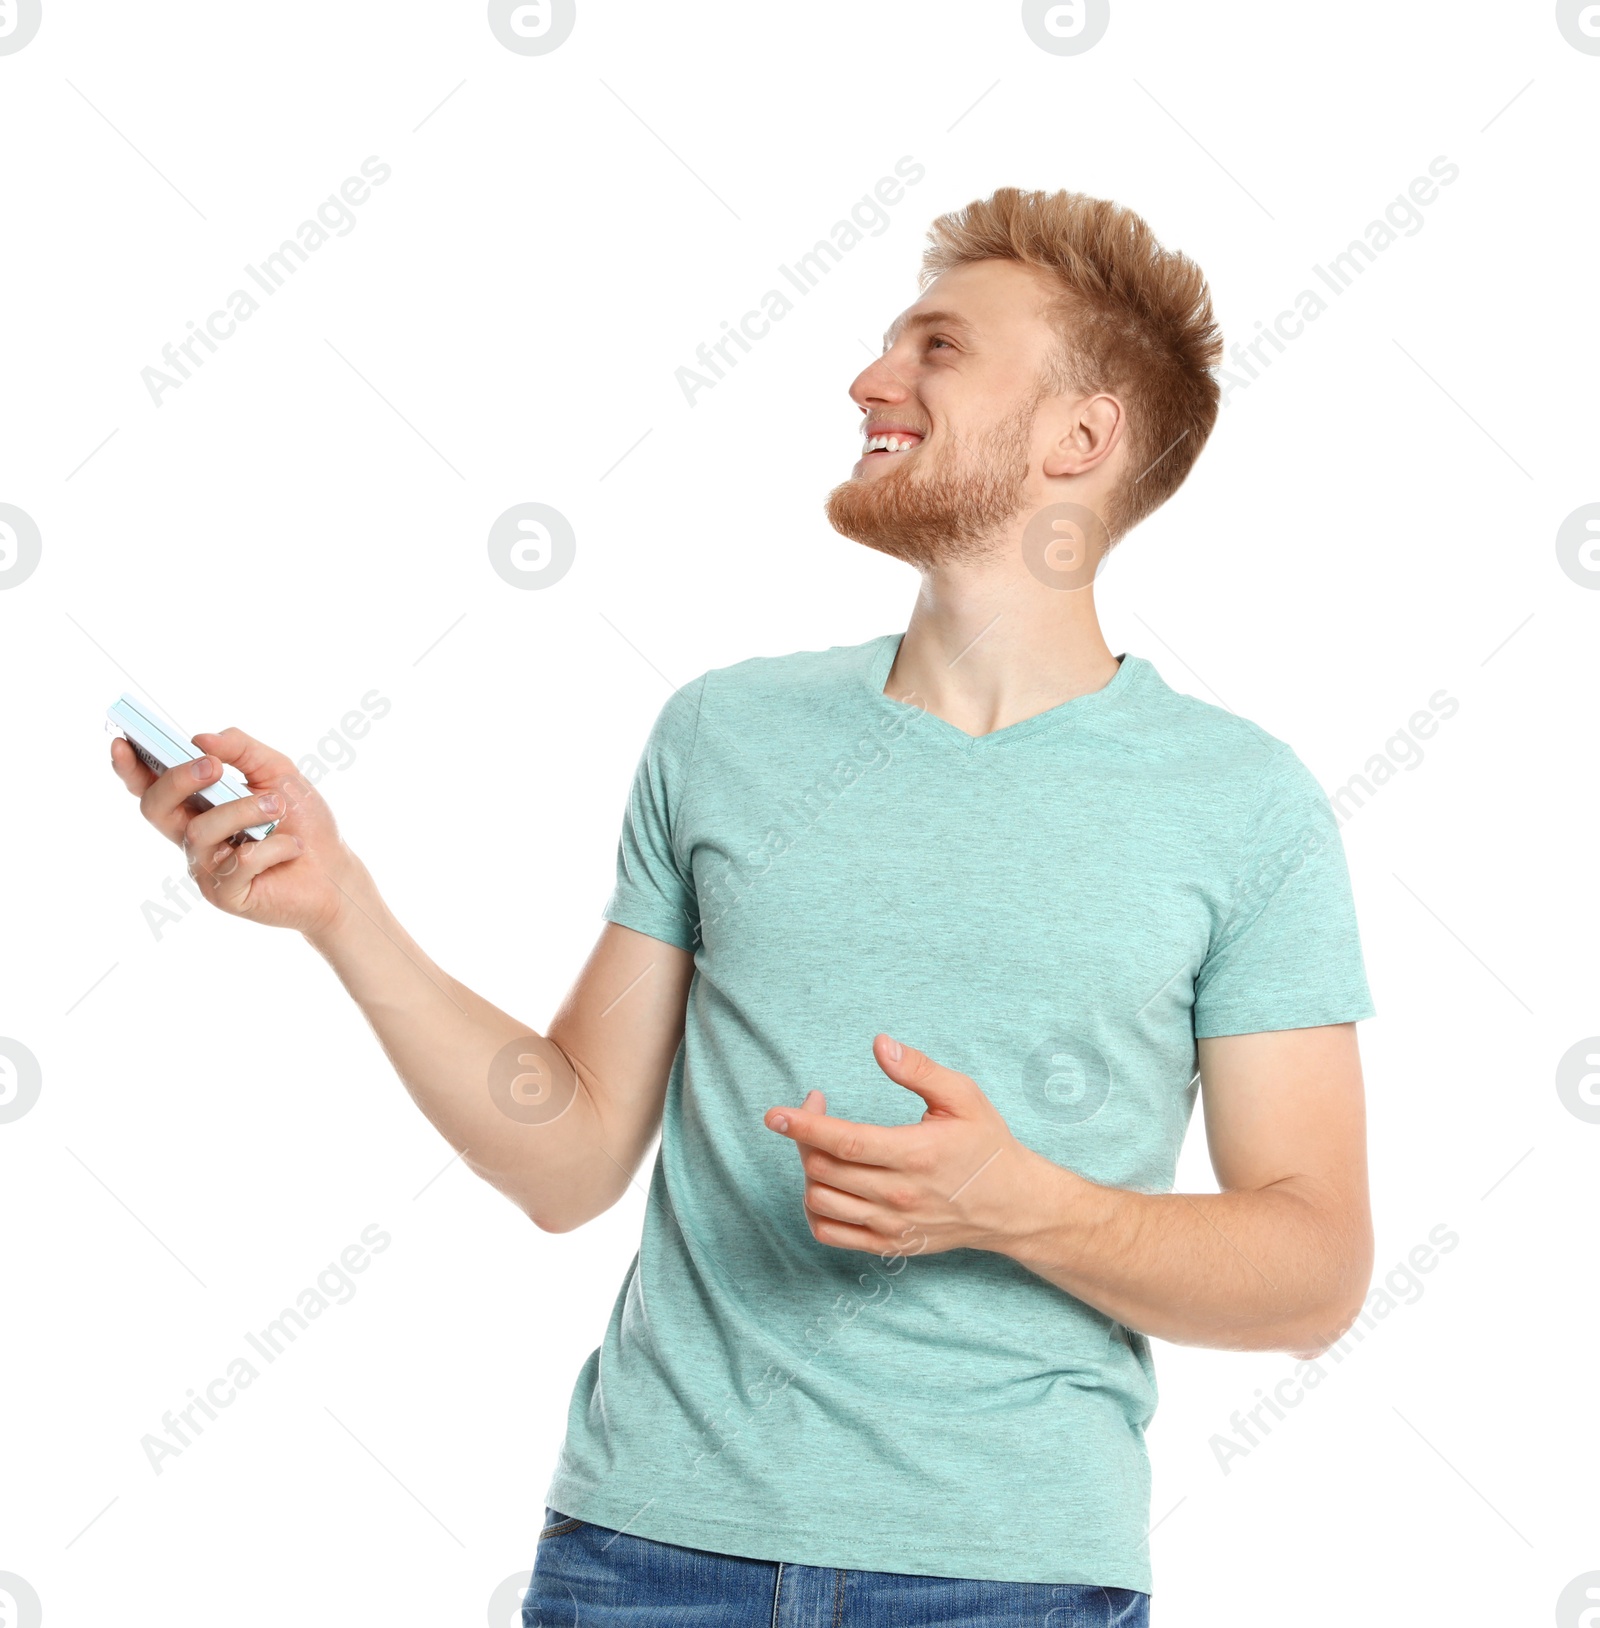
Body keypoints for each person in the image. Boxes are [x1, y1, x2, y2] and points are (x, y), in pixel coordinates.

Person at [111, 187, 1376, 1626]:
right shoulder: (723, 736)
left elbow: (1314, 1272)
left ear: (1079, 438)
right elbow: (569, 1158)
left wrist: (1023, 1209)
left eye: (940, 349)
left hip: (1009, 1583)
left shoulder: (1243, 804)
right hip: (643, 1559)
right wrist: (341, 908)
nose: (867, 379)